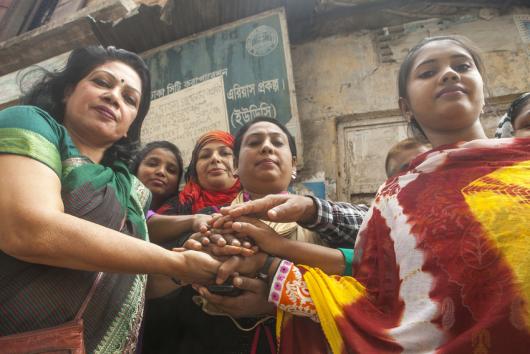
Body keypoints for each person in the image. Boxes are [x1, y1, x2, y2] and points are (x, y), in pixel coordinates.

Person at [200, 35, 530, 353]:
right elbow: (378, 294)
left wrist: (296, 230)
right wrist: (268, 270)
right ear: (406, 106)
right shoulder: (397, 199)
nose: (449, 74)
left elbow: (360, 269)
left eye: (463, 65)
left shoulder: (522, 161)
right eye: (428, 72)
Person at [0, 46, 222, 353]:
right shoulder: (30, 123)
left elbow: (136, 284)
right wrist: (178, 261)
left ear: (130, 124)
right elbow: (29, 229)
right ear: (67, 91)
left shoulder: (131, 189)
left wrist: (187, 272)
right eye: (102, 82)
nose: (114, 96)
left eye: (129, 98)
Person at [131, 140, 183, 211]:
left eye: (171, 170)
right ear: (136, 169)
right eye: (152, 164)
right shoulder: (115, 201)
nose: (161, 171)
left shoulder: (188, 216)